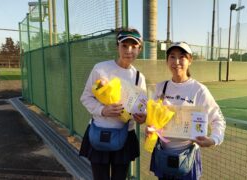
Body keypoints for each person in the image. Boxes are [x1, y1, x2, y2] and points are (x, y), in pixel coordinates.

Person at [148, 42, 226, 180]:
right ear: (167, 61)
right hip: (163, 155)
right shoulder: (161, 87)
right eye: (172, 57)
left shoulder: (199, 90)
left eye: (182, 57)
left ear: (190, 60)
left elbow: (218, 119)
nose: (176, 62)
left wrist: (213, 139)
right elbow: (153, 119)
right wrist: (150, 130)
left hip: (187, 158)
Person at [79, 27, 147, 180]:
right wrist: (103, 110)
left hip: (125, 136)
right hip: (99, 133)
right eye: (124, 45)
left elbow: (140, 109)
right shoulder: (101, 68)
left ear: (139, 49)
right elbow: (85, 97)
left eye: (134, 46)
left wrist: (141, 118)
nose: (128, 50)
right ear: (117, 47)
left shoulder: (138, 77)